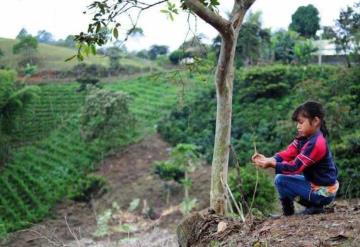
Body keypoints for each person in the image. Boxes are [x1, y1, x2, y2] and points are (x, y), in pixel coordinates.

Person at [251, 101, 339, 216]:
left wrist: (272, 164)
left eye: (301, 122)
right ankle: (291, 213)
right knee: (281, 179)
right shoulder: (304, 138)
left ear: (316, 121)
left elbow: (295, 167)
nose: (298, 126)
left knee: (281, 180)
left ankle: (314, 207)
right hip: (315, 185)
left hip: (323, 192)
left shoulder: (316, 143)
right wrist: (269, 159)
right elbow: (288, 153)